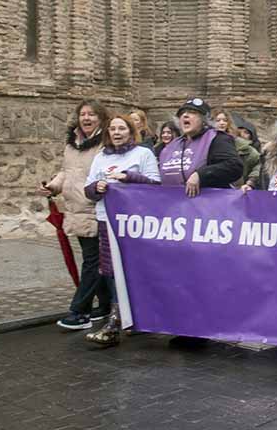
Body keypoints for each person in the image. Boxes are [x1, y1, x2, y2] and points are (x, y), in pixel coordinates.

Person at [89, 98, 243, 349]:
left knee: (203, 276)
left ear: (204, 119)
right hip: (177, 222)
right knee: (183, 275)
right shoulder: (172, 145)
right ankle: (186, 327)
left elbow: (234, 166)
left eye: (193, 113)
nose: (186, 117)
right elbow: (156, 181)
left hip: (207, 218)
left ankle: (203, 329)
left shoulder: (217, 139)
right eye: (183, 113)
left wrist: (201, 174)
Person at [78, 115, 161, 347]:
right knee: (112, 271)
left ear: (131, 131)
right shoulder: (100, 157)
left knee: (136, 269)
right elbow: (88, 188)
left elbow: (156, 185)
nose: (116, 132)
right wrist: (97, 187)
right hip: (108, 220)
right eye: (113, 128)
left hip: (135, 222)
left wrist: (129, 178)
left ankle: (139, 316)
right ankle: (116, 321)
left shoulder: (142, 154)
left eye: (122, 128)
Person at [39, 100, 109, 331]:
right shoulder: (72, 144)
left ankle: (80, 312)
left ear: (101, 118)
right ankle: (106, 304)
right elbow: (66, 172)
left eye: (91, 114)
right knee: (94, 261)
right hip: (75, 209)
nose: (86, 118)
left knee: (92, 262)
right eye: (83, 114)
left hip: (95, 208)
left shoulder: (104, 144)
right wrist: (53, 186)